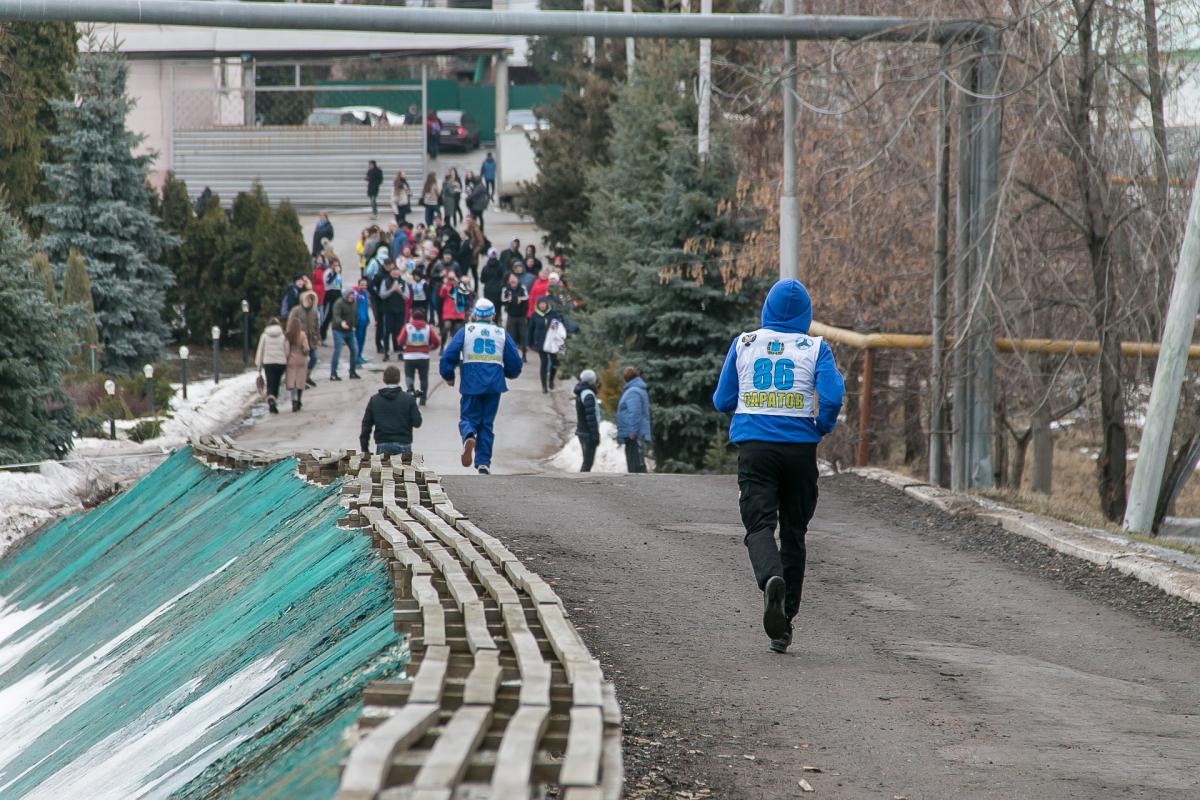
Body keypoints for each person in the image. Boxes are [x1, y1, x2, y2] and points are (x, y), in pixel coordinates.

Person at [712, 279, 845, 654]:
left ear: (766, 309)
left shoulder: (745, 343)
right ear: (806, 315)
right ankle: (784, 623)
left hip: (755, 448)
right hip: (800, 451)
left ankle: (770, 577)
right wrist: (823, 424)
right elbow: (833, 395)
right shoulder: (816, 347)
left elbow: (722, 399)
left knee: (758, 525)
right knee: (794, 532)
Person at [439, 298, 523, 474]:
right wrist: (509, 373)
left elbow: (449, 354)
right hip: (494, 384)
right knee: (487, 423)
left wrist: (448, 374)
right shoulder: (501, 333)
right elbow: (514, 360)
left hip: (471, 382)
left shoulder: (467, 331)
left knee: (468, 418)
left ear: (475, 315)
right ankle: (483, 462)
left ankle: (469, 435)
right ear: (493, 315)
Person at [360, 365, 423, 458]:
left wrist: (364, 448)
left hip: (383, 444)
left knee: (384, 472)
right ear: (399, 379)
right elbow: (417, 422)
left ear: (384, 379)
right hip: (403, 443)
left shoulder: (375, 400)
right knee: (405, 472)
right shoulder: (408, 399)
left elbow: (366, 425)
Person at [397, 307, 441, 405]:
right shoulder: (428, 327)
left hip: (409, 357)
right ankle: (423, 398)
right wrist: (430, 348)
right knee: (423, 378)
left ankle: (411, 396)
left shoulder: (407, 327)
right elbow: (437, 341)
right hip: (423, 357)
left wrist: (405, 346)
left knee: (409, 377)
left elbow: (400, 340)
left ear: (412, 317)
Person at [616, 366, 651, 473]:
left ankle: (638, 486)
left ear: (625, 377)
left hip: (633, 433)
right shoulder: (636, 389)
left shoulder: (633, 391)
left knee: (635, 464)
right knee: (636, 461)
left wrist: (632, 432)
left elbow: (635, 413)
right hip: (633, 432)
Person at [255, 317, 289, 415]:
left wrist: (259, 365)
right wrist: (286, 360)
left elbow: (260, 350)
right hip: (280, 363)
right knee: (277, 381)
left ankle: (270, 397)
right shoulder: (282, 336)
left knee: (270, 381)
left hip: (268, 362)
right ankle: (274, 396)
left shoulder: (264, 336)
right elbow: (286, 349)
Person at [288, 290, 320, 388]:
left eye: (311, 299)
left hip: (311, 339)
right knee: (302, 361)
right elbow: (290, 324)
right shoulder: (296, 310)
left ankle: (306, 376)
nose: (309, 301)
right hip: (299, 339)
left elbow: (317, 326)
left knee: (314, 357)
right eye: (307, 299)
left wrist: (318, 337)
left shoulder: (314, 312)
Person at [330, 287, 363, 381]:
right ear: (345, 295)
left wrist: (354, 325)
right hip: (338, 330)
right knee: (338, 350)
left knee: (354, 349)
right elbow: (336, 315)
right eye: (349, 295)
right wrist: (341, 322)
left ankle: (352, 371)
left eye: (352, 295)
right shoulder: (339, 303)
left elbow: (356, 315)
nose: (351, 297)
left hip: (350, 330)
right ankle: (333, 373)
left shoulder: (354, 303)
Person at [526, 298, 559, 392]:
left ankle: (551, 381)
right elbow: (530, 329)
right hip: (540, 343)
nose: (542, 306)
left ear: (547, 304)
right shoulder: (535, 315)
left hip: (552, 342)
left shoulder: (553, 314)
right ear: (538, 305)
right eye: (540, 304)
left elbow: (556, 327)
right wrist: (529, 343)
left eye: (544, 304)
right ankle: (544, 386)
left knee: (555, 362)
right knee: (544, 364)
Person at [379, 264, 408, 361]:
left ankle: (400, 352)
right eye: (393, 273)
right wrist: (392, 290)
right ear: (390, 273)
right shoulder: (386, 281)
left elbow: (407, 297)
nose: (395, 275)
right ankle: (386, 352)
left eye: (397, 273)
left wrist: (400, 292)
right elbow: (382, 295)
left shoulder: (403, 283)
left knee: (400, 332)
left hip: (400, 310)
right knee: (387, 332)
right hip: (388, 310)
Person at [574, 369, 600, 472]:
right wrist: (595, 434)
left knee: (587, 461)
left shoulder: (581, 392)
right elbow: (591, 417)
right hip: (587, 433)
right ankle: (581, 483)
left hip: (582, 431)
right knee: (587, 462)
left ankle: (582, 482)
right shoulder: (588, 394)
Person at [284, 312, 310, 412]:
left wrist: (287, 357)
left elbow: (286, 348)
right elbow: (306, 348)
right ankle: (299, 400)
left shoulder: (288, 335)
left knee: (292, 382)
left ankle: (293, 400)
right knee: (300, 381)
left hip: (291, 359)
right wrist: (305, 353)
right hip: (301, 360)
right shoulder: (302, 335)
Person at [501, 273, 529, 360]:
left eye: (514, 278)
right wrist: (508, 300)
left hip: (521, 316)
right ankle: (512, 355)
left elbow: (527, 297)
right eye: (511, 278)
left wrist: (519, 298)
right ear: (509, 280)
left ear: (517, 279)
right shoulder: (505, 289)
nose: (513, 280)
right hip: (511, 315)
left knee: (523, 336)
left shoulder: (522, 287)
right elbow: (502, 299)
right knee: (510, 336)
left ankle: (524, 354)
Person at [320, 259, 343, 342]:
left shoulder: (338, 273)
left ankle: (341, 336)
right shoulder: (328, 272)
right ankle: (322, 335)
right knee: (327, 316)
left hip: (337, 294)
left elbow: (339, 284)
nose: (336, 267)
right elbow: (328, 282)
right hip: (330, 294)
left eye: (337, 265)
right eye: (335, 265)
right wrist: (335, 273)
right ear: (331, 265)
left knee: (339, 315)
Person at [354, 276, 371, 365]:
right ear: (358, 285)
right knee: (358, 340)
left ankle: (360, 355)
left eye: (365, 285)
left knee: (363, 340)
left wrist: (368, 318)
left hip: (365, 320)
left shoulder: (366, 294)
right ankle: (356, 357)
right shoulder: (356, 294)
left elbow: (367, 307)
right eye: (362, 285)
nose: (364, 286)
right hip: (358, 321)